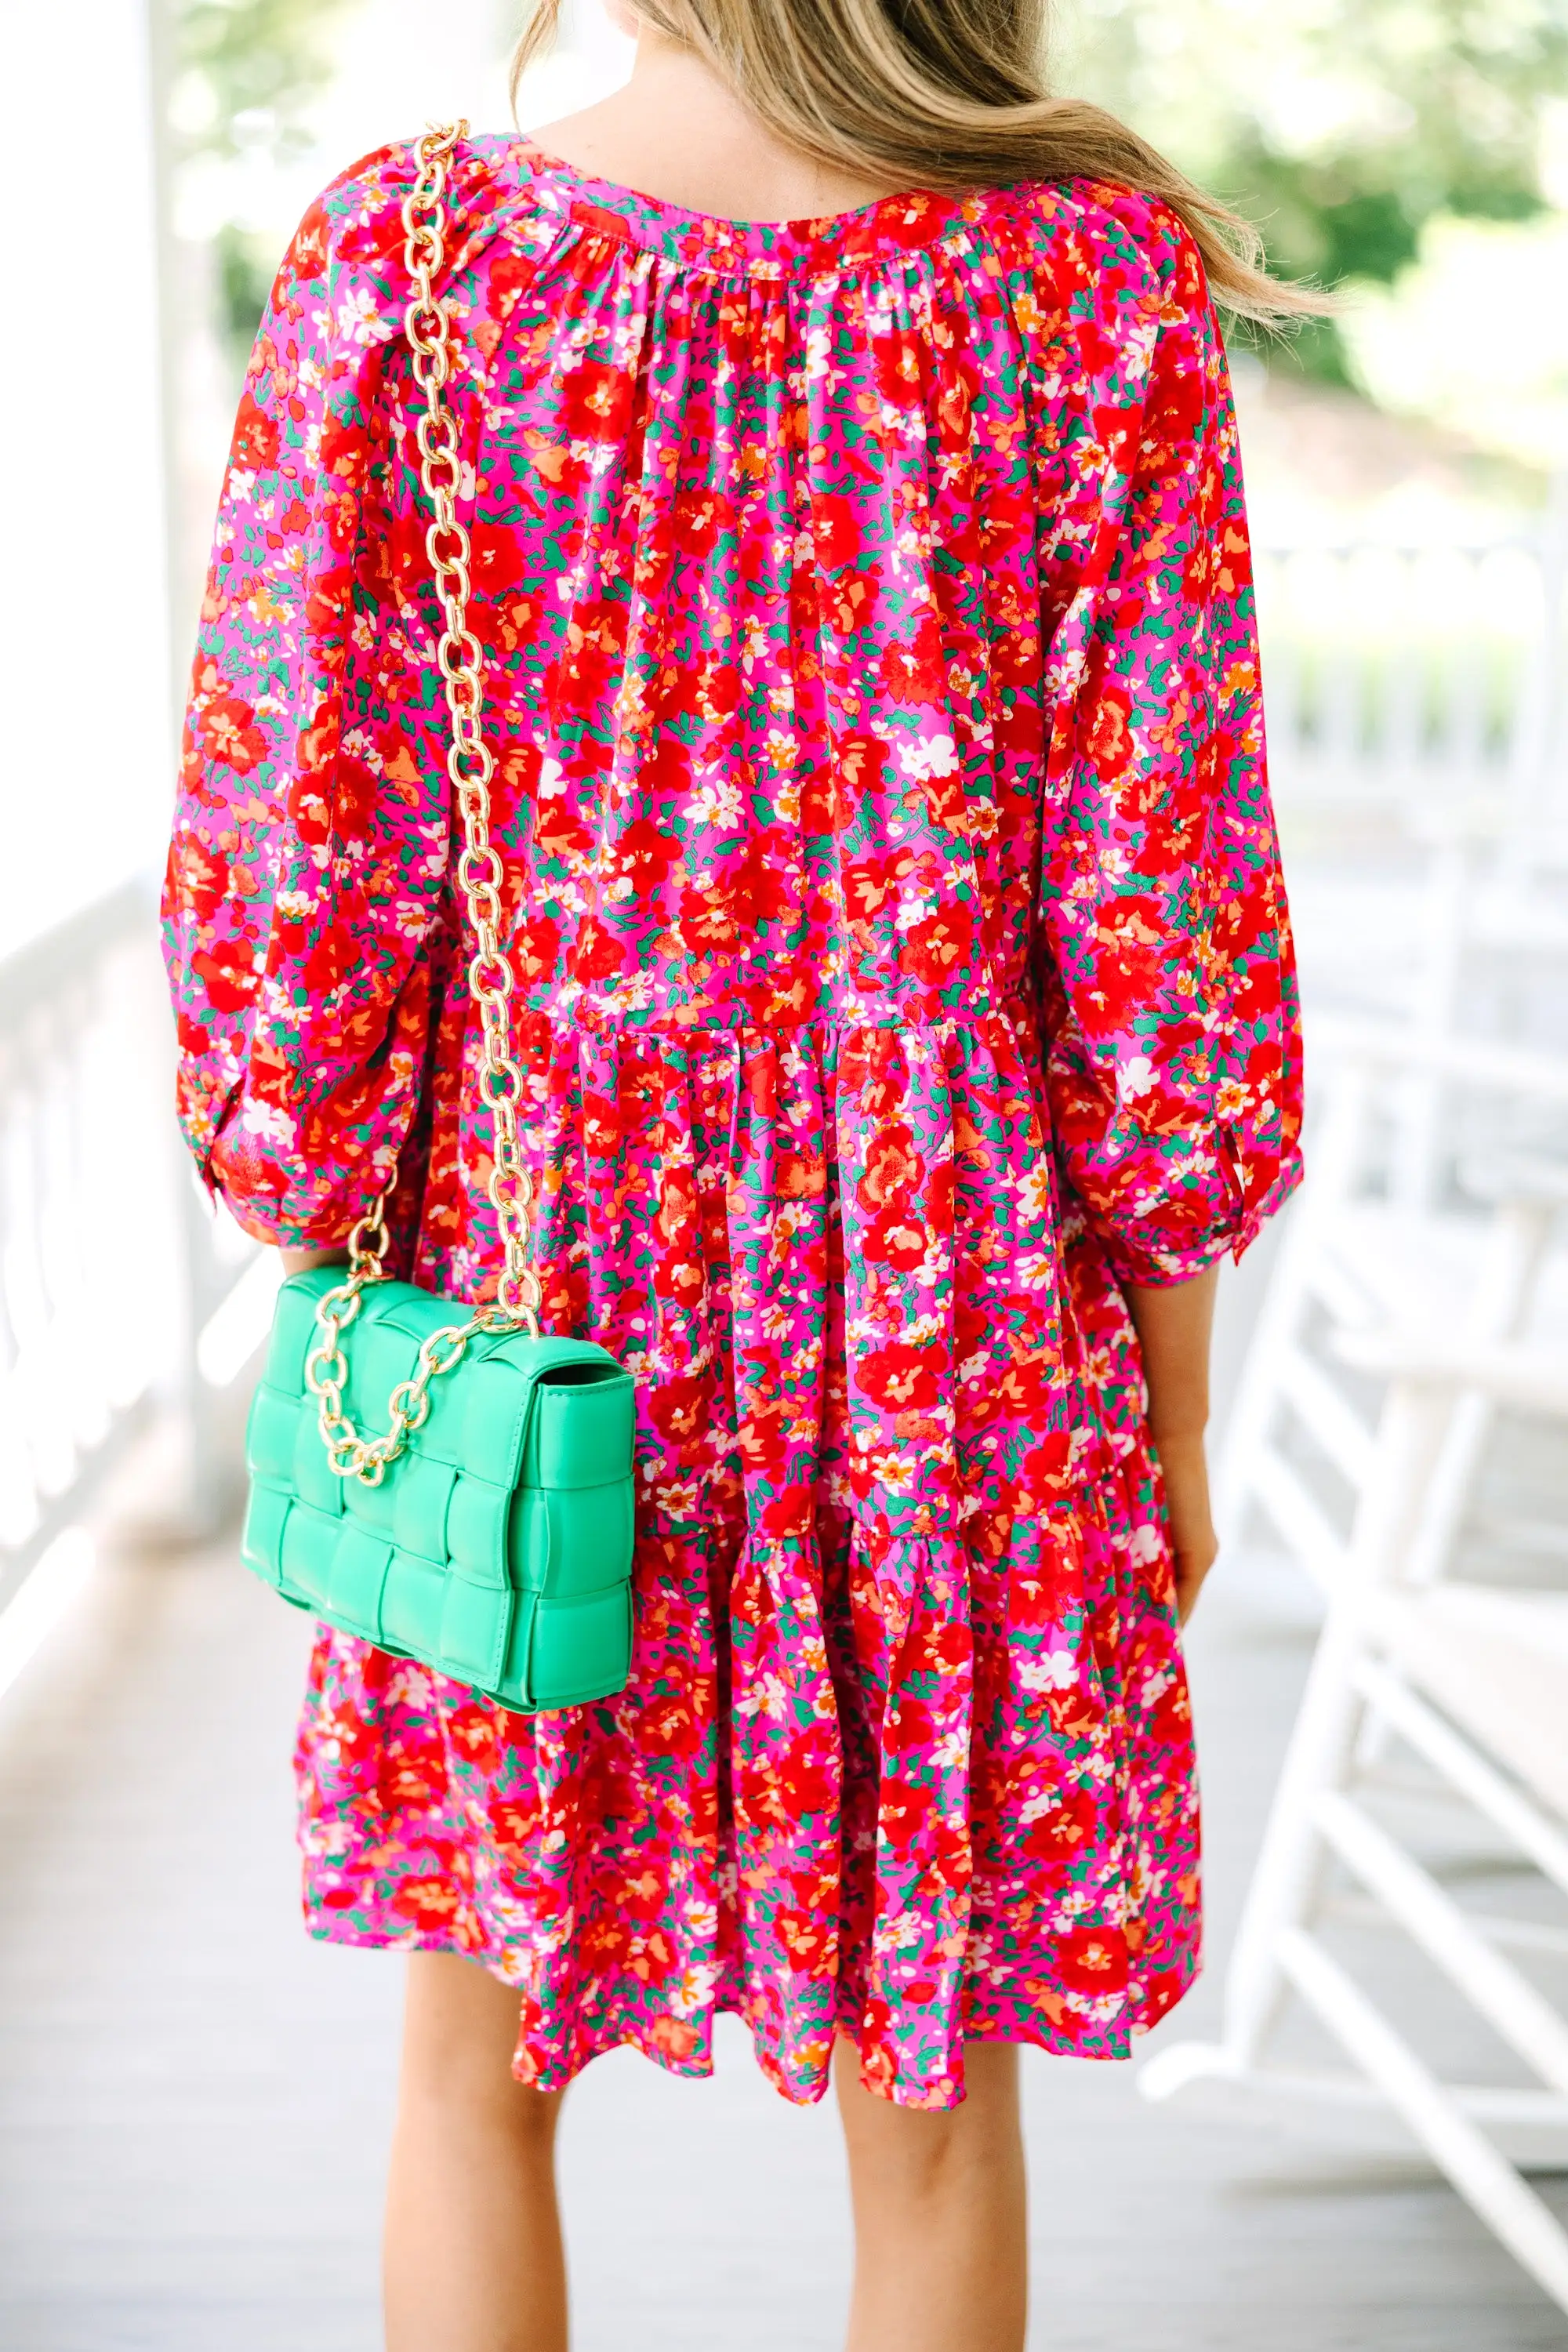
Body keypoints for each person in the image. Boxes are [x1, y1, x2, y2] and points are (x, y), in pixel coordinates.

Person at [162, 0, 1309, 2342]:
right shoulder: (1089, 284)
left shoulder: (406, 261)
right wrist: (1176, 1412)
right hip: (957, 1319)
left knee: (471, 2066)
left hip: (531, 1324)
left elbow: (296, 879)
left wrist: (319, 1212)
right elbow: (1157, 931)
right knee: (940, 2102)